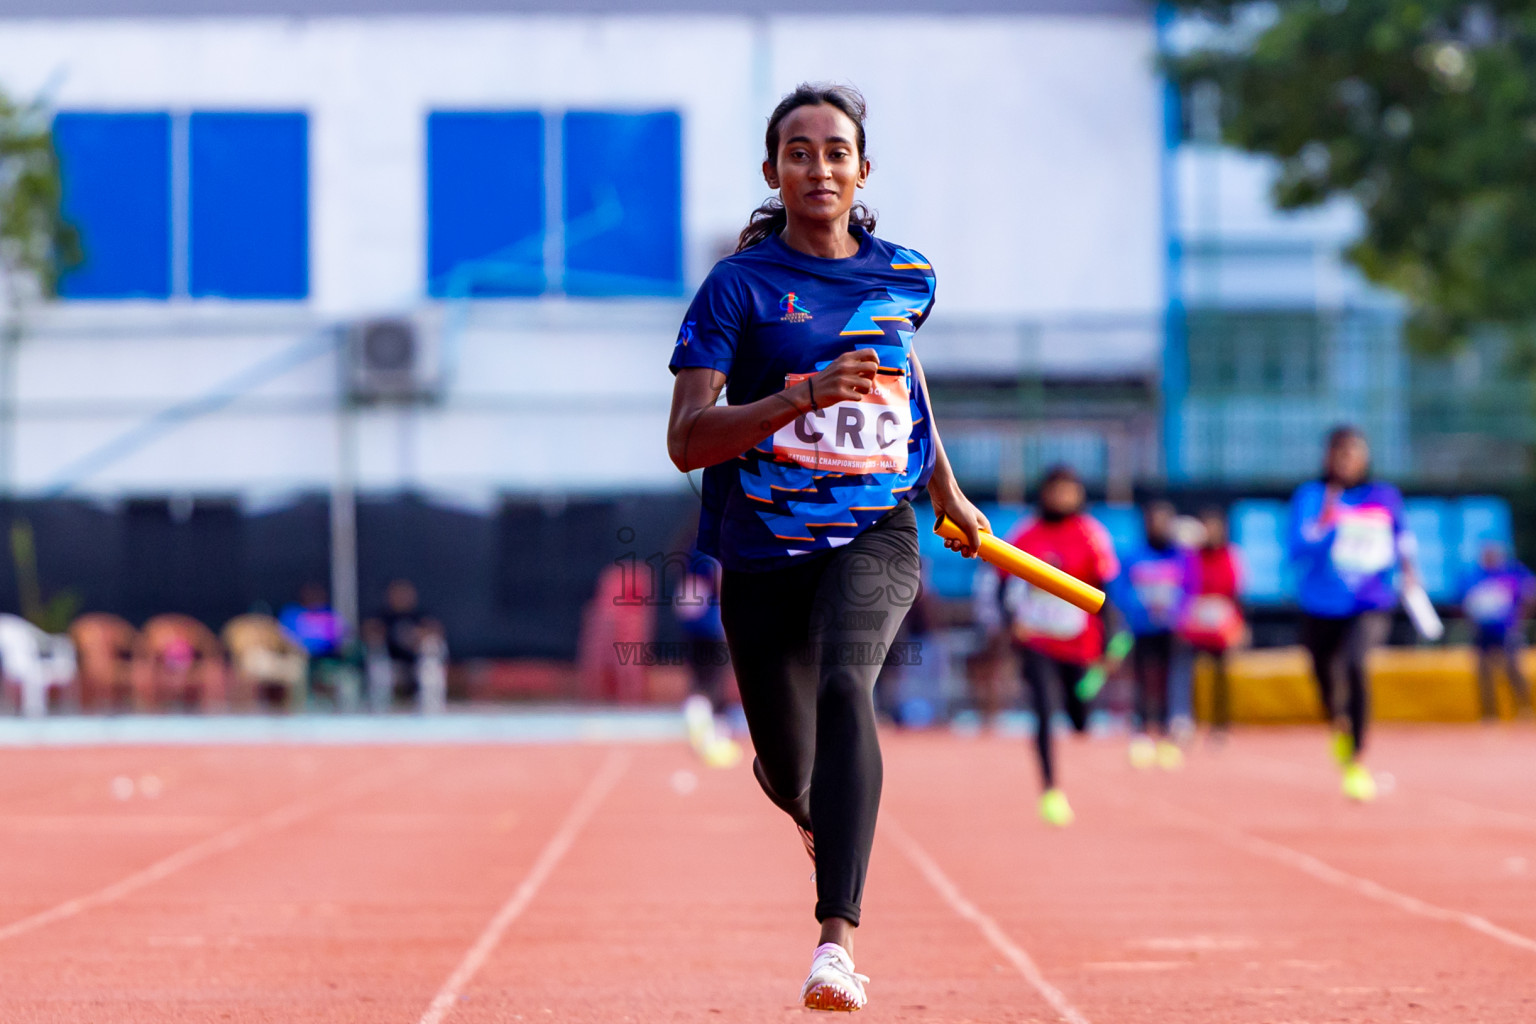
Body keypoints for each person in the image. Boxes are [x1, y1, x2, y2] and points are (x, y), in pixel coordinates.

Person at [665, 83, 987, 1013]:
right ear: (773, 172)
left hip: (875, 530)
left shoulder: (909, 277)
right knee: (788, 773)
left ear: (862, 170)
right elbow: (686, 441)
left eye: (836, 151)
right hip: (764, 548)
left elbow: (904, 379)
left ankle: (834, 943)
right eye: (798, 152)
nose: (819, 167)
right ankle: (823, 813)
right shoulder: (737, 287)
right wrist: (801, 395)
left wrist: (945, 487)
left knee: (851, 682)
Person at [1288, 425, 1419, 802]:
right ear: (1328, 457)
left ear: (1364, 457)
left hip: (1369, 600)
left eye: (1353, 452)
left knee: (1356, 664)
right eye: (1339, 453)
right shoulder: (1311, 496)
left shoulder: (1384, 496)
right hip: (1320, 603)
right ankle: (1339, 722)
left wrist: (1410, 572)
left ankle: (1358, 758)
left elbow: (1402, 538)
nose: (1346, 460)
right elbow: (1297, 549)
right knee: (1324, 675)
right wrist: (1326, 523)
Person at [1000, 465, 1121, 827]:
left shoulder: (1091, 535)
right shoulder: (1025, 534)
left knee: (1078, 716)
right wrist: (1011, 623)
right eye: (1056, 490)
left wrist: (1108, 641)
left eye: (1069, 491)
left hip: (1078, 640)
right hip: (1037, 638)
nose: (1062, 497)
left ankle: (1080, 710)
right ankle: (1050, 789)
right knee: (1042, 708)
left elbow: (1105, 591)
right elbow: (1005, 584)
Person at [1114, 500, 1194, 770]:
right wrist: (1139, 610)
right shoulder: (1133, 556)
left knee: (1171, 680)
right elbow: (1120, 591)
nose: (1158, 526)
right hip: (1141, 628)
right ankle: (1142, 730)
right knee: (1142, 680)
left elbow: (1191, 590)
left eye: (1163, 520)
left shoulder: (1182, 557)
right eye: (1153, 520)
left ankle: (1170, 730)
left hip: (1171, 630)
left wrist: (1178, 615)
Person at [1179, 507, 1246, 738]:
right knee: (1192, 676)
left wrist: (1239, 624)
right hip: (1197, 626)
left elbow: (1236, 593)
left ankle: (1221, 724)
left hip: (1222, 626)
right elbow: (1185, 589)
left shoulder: (1231, 555)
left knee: (1221, 676)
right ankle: (1192, 720)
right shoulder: (1192, 557)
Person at [673, 549, 743, 766]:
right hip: (711, 624)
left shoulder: (695, 549)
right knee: (713, 682)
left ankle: (701, 723)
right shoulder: (717, 549)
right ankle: (711, 736)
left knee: (700, 680)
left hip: (693, 623)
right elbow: (721, 581)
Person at [1461, 541, 1535, 720]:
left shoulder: (1513, 572)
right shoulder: (1473, 576)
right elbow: (1464, 603)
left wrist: (1520, 619)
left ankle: (1525, 709)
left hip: (1507, 630)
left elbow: (1530, 594)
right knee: (1483, 672)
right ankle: (1489, 714)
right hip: (1482, 632)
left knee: (1513, 668)